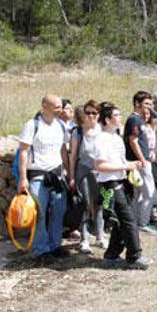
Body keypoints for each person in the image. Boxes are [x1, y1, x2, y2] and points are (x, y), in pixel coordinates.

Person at [91, 102, 152, 270]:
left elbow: (119, 161)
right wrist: (126, 167)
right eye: (116, 116)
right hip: (109, 185)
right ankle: (134, 256)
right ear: (107, 119)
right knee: (128, 220)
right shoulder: (101, 139)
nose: (120, 118)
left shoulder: (116, 137)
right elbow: (99, 166)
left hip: (120, 182)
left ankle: (111, 254)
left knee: (119, 221)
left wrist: (131, 164)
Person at [17, 94, 70, 263]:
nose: (60, 110)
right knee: (39, 213)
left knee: (58, 211)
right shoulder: (32, 126)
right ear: (45, 107)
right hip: (38, 176)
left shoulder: (61, 126)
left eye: (60, 106)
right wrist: (23, 178)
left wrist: (68, 172)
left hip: (57, 175)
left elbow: (63, 150)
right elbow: (24, 152)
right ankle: (41, 249)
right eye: (56, 107)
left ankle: (55, 245)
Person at [68, 100, 106, 254]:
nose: (91, 116)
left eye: (94, 113)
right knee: (85, 204)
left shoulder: (103, 130)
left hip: (101, 172)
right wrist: (71, 176)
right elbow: (73, 156)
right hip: (83, 172)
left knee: (100, 203)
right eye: (88, 112)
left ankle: (100, 235)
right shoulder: (78, 132)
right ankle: (84, 239)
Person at [125, 92, 157, 234]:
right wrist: (143, 159)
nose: (149, 107)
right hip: (140, 162)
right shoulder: (134, 119)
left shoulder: (140, 120)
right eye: (146, 104)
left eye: (150, 104)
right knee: (148, 192)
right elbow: (133, 141)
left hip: (142, 160)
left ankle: (135, 221)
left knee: (139, 194)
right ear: (137, 104)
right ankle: (142, 223)